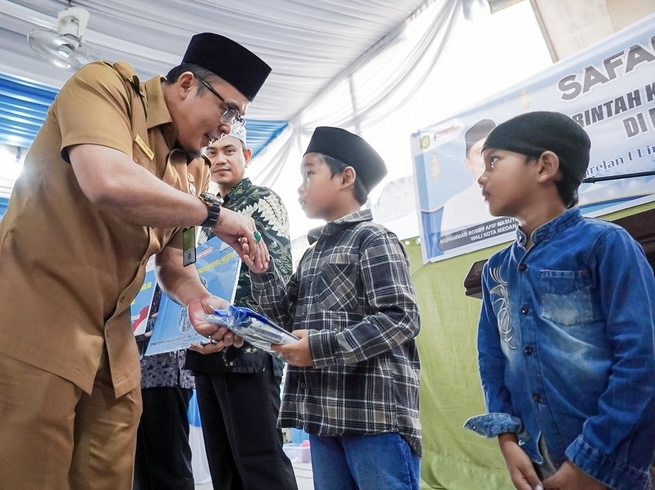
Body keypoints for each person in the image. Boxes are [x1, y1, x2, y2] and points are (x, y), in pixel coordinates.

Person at [0, 32, 272, 489]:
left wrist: (199, 302)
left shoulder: (195, 168)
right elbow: (107, 181)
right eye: (228, 111)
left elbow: (174, 266)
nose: (227, 128)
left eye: (237, 121)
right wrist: (214, 214)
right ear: (187, 84)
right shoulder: (102, 88)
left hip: (113, 347)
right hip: (34, 324)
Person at [464, 111, 655, 490]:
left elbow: (641, 358)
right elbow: (492, 361)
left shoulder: (605, 244)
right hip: (536, 459)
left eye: (494, 161)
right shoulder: (496, 270)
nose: (482, 176)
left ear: (545, 166)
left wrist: (591, 459)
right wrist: (508, 439)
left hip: (611, 465)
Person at [249, 126, 422, 490]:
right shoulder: (312, 254)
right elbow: (284, 321)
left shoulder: (374, 238)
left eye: (310, 173)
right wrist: (262, 272)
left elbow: (400, 317)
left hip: (374, 416)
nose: (301, 186)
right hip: (324, 416)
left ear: (346, 177)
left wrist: (317, 348)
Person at [185, 125, 298, 489]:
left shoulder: (262, 202)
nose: (219, 160)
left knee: (261, 463)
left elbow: (275, 273)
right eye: (212, 153)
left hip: (250, 349)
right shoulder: (201, 215)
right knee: (223, 466)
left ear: (245, 157)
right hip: (207, 348)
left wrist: (235, 325)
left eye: (229, 151)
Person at [133, 285, 196, 490]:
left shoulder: (176, 260)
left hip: (165, 372)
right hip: (132, 373)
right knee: (139, 470)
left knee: (169, 467)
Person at [440, 118, 496, 231]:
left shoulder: (518, 189)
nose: (485, 159)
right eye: (479, 153)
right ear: (468, 163)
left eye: (491, 150)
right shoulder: (455, 206)